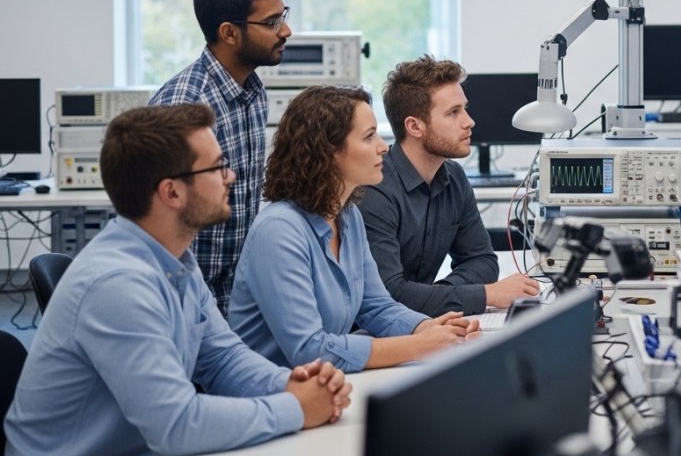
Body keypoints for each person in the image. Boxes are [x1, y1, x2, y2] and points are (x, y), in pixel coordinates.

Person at [4, 104, 351, 455]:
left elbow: (222, 360)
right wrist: (296, 408)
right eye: (218, 166)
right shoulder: (117, 285)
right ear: (171, 192)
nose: (230, 176)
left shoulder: (174, 258)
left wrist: (293, 384)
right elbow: (177, 426)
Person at [228, 85, 479, 372]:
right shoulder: (279, 231)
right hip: (269, 390)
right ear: (328, 151)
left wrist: (431, 328)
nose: (383, 147)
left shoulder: (348, 217)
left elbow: (376, 306)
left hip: (324, 385)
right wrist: (420, 345)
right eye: (369, 136)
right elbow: (309, 350)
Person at [150, 0, 293, 316]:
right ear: (229, 33)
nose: (286, 30)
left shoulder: (253, 92)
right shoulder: (184, 105)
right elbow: (160, 232)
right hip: (184, 301)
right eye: (271, 22)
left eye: (283, 16)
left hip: (233, 297)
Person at [359, 55, 540, 317]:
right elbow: (389, 294)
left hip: (421, 324)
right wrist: (485, 294)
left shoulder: (454, 177)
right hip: (369, 332)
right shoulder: (375, 189)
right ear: (414, 126)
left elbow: (483, 261)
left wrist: (440, 295)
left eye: (464, 109)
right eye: (453, 112)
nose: (469, 121)